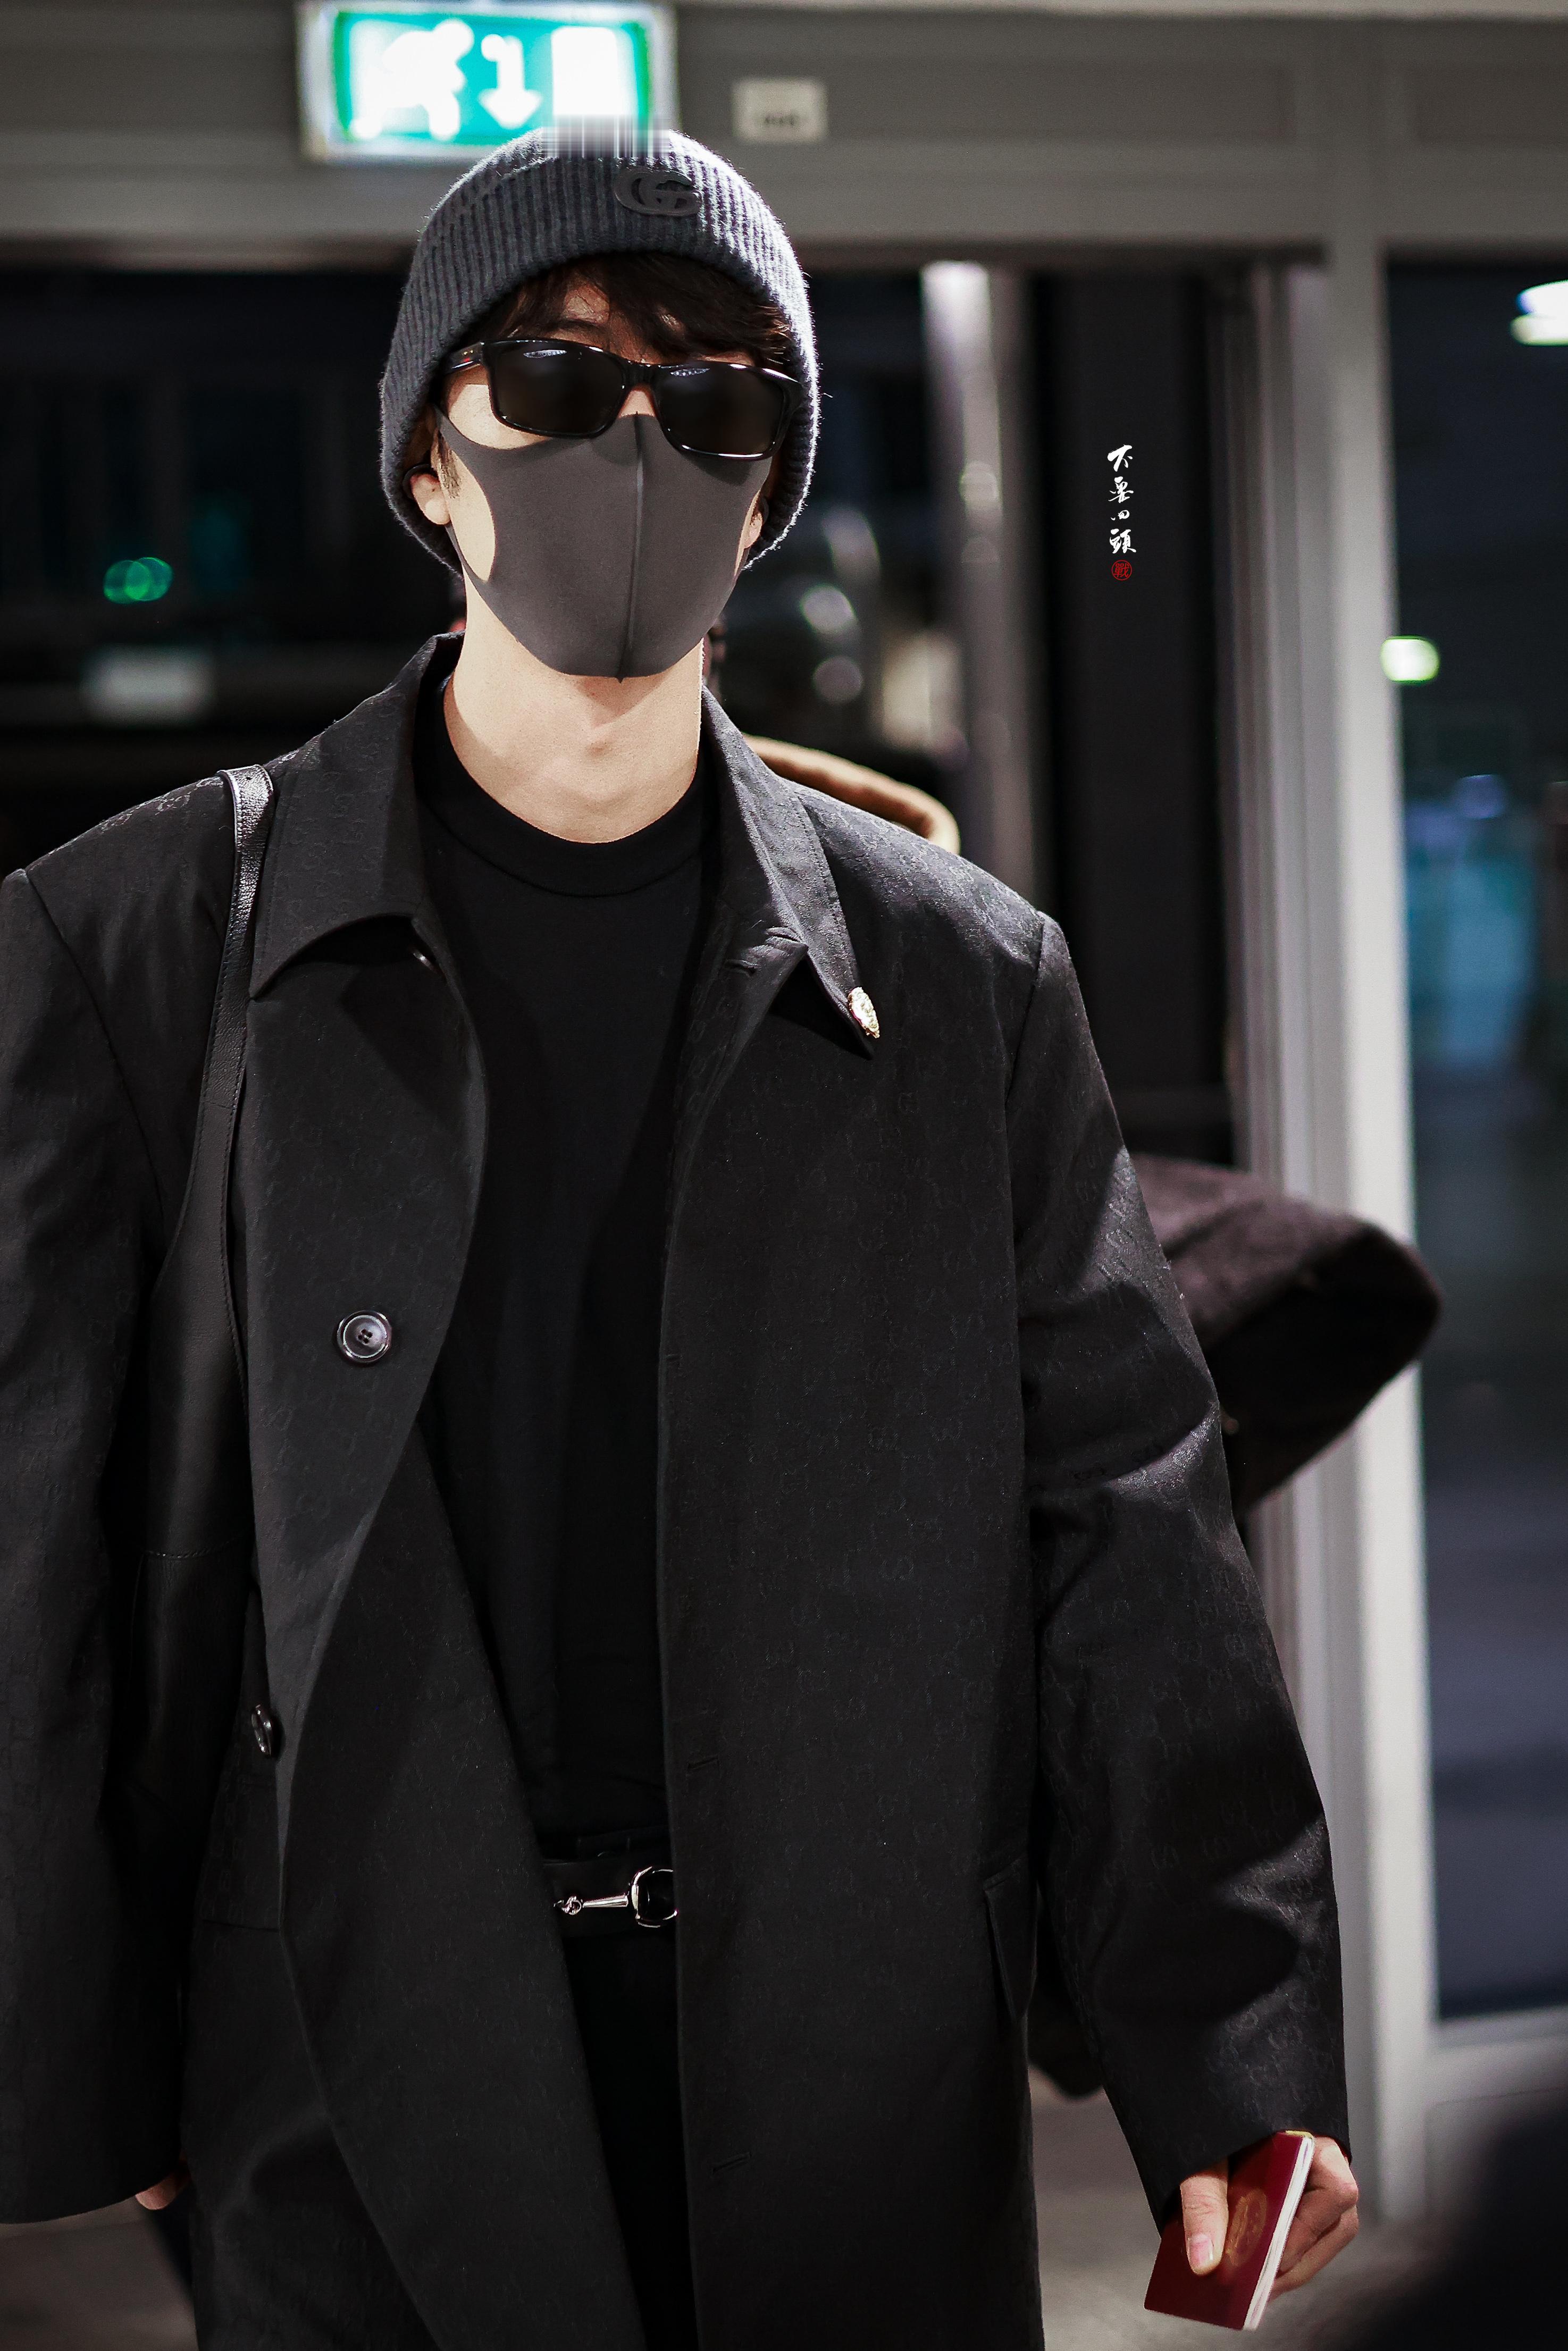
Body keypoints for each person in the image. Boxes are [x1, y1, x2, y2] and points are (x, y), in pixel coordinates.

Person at [0, 131, 1357, 2348]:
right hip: (349, 2029)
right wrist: (72, 2041)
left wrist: (1232, 2040)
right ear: (430, 458)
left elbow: (1125, 1518)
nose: (632, 455)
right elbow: (36, 1532)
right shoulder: (141, 937)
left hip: (848, 2030)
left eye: (716, 404)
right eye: (553, 383)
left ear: (767, 492)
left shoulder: (962, 977)